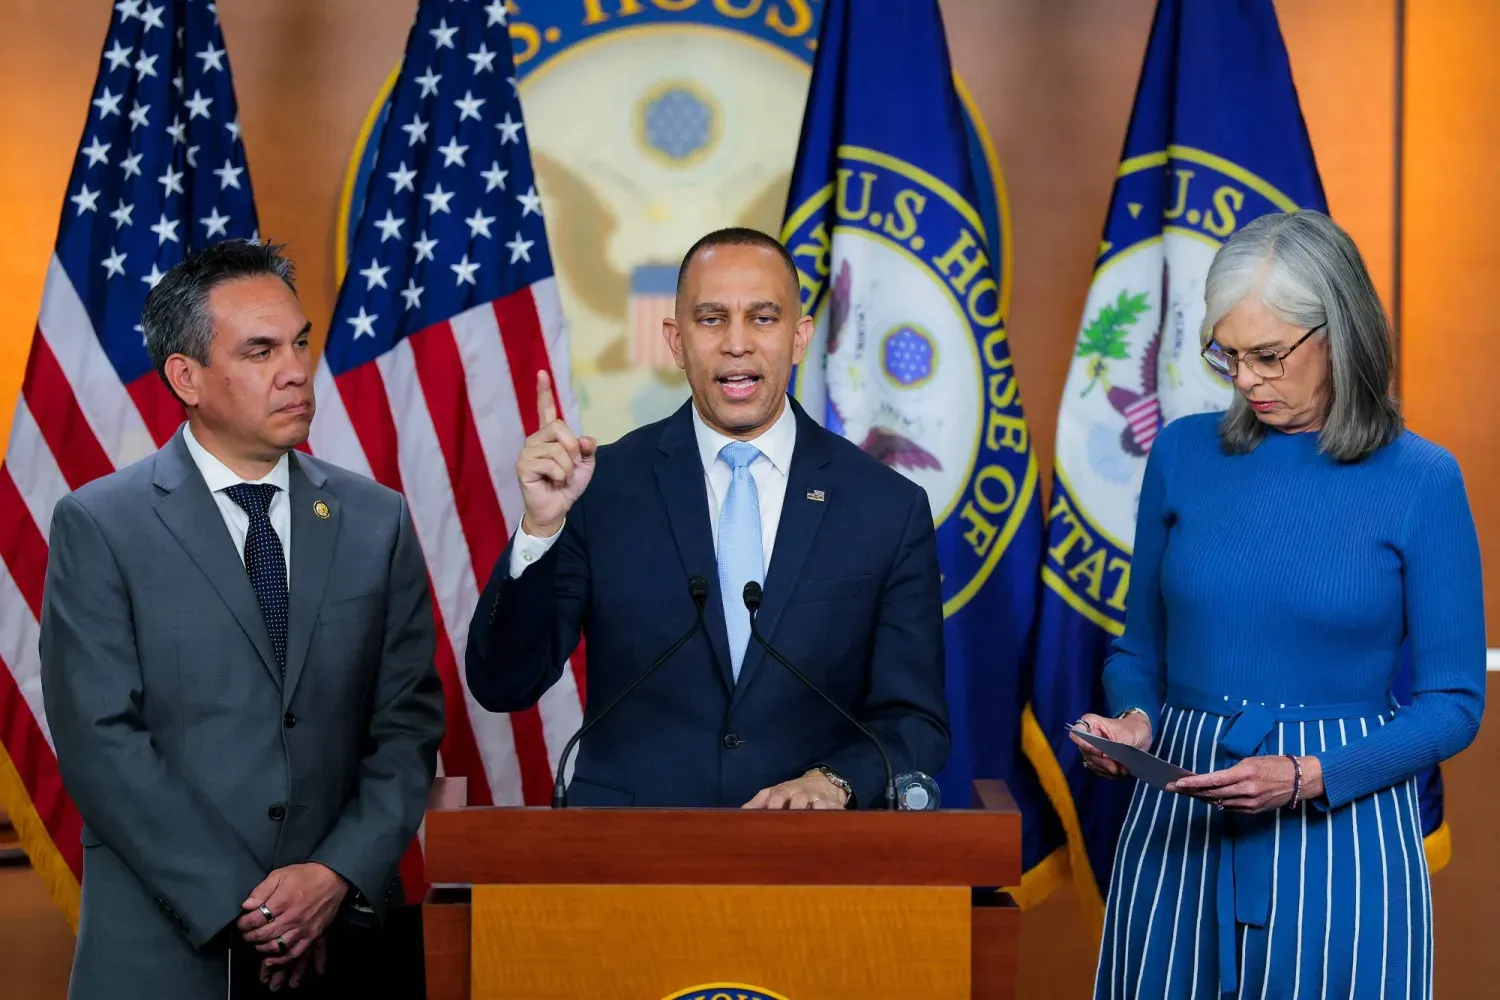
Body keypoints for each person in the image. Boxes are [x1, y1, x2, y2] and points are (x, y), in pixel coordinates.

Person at [1069, 210, 1485, 999]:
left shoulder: (1424, 480)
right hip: (1180, 814)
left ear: (1343, 333)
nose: (1245, 380)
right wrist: (1133, 722)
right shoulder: (1182, 453)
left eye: (1267, 356)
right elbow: (1138, 652)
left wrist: (1306, 775)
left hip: (1343, 820)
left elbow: (1455, 704)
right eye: (1226, 354)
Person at [39, 239, 445, 998]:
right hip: (166, 951)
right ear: (186, 377)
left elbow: (408, 725)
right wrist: (252, 908)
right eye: (260, 351)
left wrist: (330, 877)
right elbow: (101, 743)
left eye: (299, 343)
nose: (295, 371)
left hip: (346, 939)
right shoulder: (101, 525)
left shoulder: (375, 518)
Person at [466, 227, 949, 810]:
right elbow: (504, 684)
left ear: (800, 338)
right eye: (712, 318)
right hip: (629, 860)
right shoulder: (599, 488)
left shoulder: (885, 507)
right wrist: (540, 529)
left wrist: (834, 781)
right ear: (675, 340)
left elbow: (915, 721)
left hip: (813, 868)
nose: (737, 343)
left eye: (763, 319)